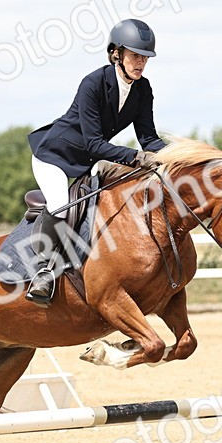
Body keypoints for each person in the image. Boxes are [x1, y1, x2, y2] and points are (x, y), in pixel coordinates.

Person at [24, 18, 167, 306]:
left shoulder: (143, 89)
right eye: (135, 55)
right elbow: (94, 143)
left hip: (92, 159)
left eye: (145, 57)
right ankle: (44, 272)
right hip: (55, 156)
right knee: (61, 205)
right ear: (117, 53)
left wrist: (172, 158)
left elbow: (148, 138)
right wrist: (137, 158)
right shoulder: (93, 83)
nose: (141, 62)